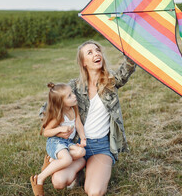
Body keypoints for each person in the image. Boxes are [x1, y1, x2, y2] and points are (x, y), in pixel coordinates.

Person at [51, 40, 136, 196]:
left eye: (97, 50)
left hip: (101, 147)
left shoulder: (111, 81)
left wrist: (130, 53)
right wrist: (57, 129)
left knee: (95, 192)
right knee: (58, 181)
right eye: (89, 52)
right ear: (84, 62)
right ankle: (78, 171)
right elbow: (49, 108)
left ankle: (88, 170)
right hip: (77, 146)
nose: (96, 54)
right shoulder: (74, 87)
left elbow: (127, 69)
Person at [30, 82, 87, 196]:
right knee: (67, 160)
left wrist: (83, 138)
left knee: (81, 152)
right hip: (56, 142)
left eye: (72, 93)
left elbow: (79, 124)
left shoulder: (73, 108)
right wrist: (60, 129)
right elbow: (46, 132)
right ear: (61, 102)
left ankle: (52, 161)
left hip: (67, 142)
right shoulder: (59, 115)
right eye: (69, 96)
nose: (74, 96)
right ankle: (39, 179)